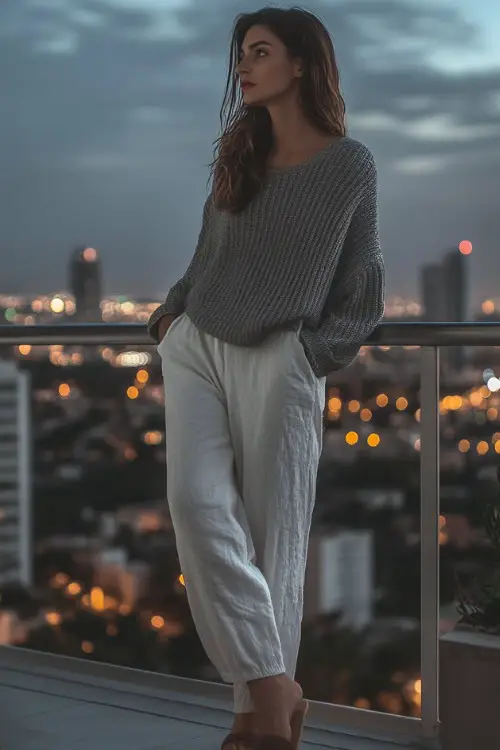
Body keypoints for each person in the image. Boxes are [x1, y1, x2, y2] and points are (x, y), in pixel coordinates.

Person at [148, 7, 385, 750]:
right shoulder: (239, 154)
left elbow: (362, 283)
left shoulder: (350, 165)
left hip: (279, 357)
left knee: (271, 539)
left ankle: (258, 714)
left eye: (259, 52)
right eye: (241, 55)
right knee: (194, 504)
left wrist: (313, 354)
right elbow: (204, 254)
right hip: (197, 346)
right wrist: (170, 317)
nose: (243, 68)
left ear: (305, 64)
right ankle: (277, 689)